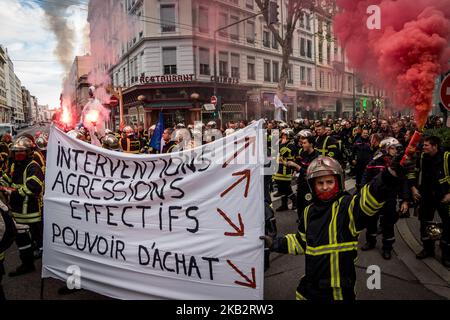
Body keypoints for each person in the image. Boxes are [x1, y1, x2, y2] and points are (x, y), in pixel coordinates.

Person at [262, 154, 410, 300]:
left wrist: (388, 176)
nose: (325, 187)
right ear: (312, 185)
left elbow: (369, 199)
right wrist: (275, 243)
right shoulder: (308, 211)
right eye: (320, 183)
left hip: (337, 293)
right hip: (309, 288)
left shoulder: (348, 206)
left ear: (338, 182)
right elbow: (301, 243)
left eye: (329, 182)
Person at [0, 136, 44, 276]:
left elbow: (33, 188)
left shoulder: (33, 166)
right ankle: (27, 264)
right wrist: (2, 184)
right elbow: (7, 178)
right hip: (17, 213)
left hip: (31, 213)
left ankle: (49, 265)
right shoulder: (14, 165)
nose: (17, 155)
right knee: (22, 241)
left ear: (29, 152)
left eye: (21, 152)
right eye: (15, 152)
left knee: (39, 240)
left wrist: (11, 192)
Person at [360, 137, 410, 259]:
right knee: (371, 221)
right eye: (393, 148)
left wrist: (405, 200)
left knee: (388, 223)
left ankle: (387, 247)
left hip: (389, 199)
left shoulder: (398, 164)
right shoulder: (374, 162)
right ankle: (370, 242)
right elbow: (365, 178)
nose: (395, 151)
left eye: (396, 148)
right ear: (386, 148)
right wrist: (362, 193)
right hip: (374, 199)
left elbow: (404, 182)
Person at [408, 136, 450, 267]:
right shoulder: (421, 157)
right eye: (423, 145)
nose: (423, 147)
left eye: (426, 145)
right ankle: (428, 249)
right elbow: (412, 173)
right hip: (426, 195)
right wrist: (413, 188)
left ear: (435, 146)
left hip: (444, 196)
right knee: (424, 222)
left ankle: (446, 254)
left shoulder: (447, 157)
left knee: (448, 224)